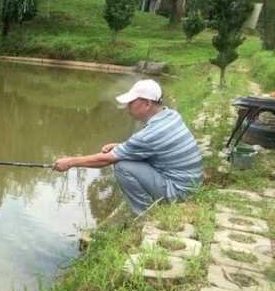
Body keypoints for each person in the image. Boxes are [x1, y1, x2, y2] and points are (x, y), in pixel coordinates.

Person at [52, 79, 203, 216]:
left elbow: (105, 160)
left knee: (122, 166)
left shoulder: (150, 134)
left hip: (180, 192)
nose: (127, 108)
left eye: (131, 103)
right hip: (192, 184)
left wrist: (70, 162)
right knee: (125, 158)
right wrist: (120, 147)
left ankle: (146, 215)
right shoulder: (171, 115)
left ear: (147, 104)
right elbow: (153, 147)